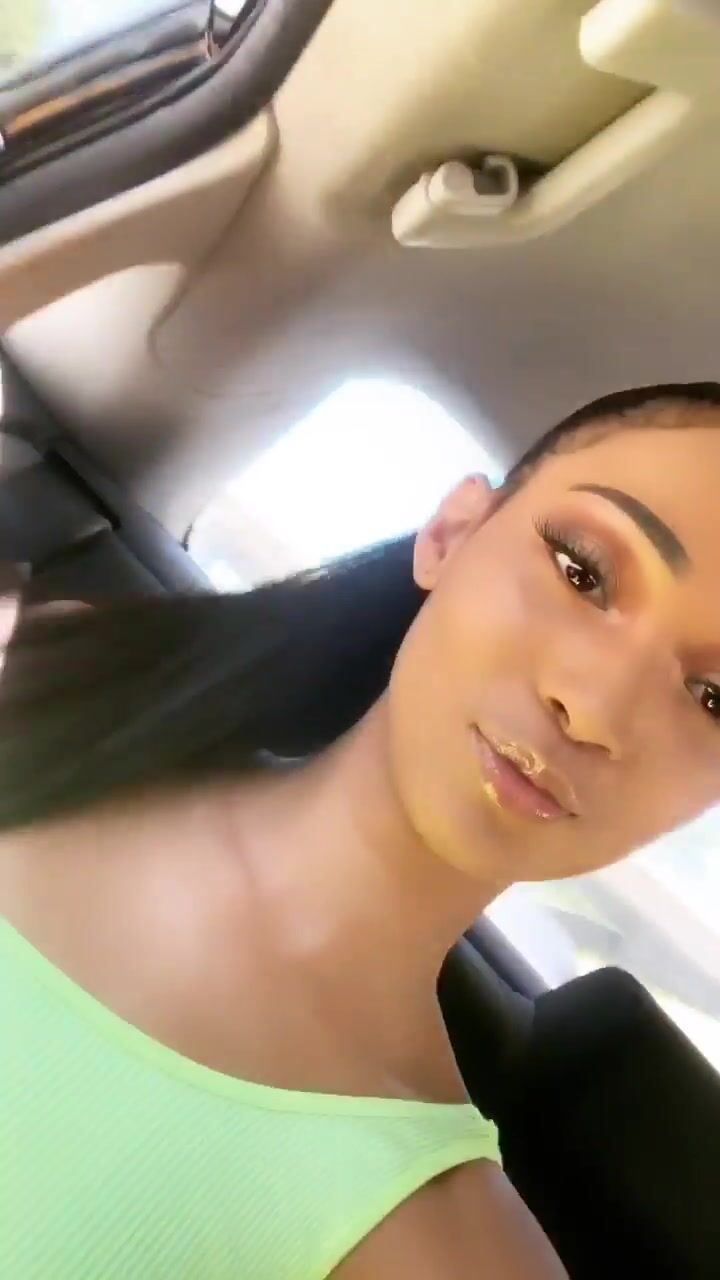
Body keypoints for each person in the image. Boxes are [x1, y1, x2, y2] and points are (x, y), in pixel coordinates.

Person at [2, 381, 720, 1279]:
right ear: (452, 533)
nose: (596, 709)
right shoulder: (52, 683)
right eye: (583, 571)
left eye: (713, 698)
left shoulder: (454, 1255)